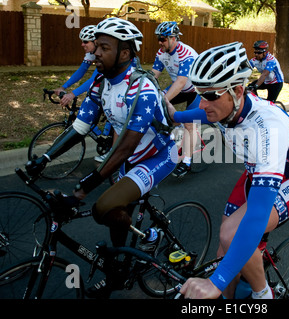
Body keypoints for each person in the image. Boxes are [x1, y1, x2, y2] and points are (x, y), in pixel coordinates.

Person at [26, 17, 177, 298]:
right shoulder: (101, 82)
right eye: (96, 46)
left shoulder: (141, 89)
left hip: (157, 156)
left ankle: (149, 239)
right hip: (127, 157)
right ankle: (118, 267)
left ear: (125, 53)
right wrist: (43, 159)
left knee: (102, 207)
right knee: (118, 211)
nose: (94, 52)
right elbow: (80, 127)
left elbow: (125, 149)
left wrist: (81, 190)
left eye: (103, 47)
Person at [167, 42, 289, 299]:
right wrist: (174, 116)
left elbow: (257, 215)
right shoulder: (227, 108)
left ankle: (262, 295)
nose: (203, 104)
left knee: (233, 233)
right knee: (224, 250)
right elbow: (202, 114)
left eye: (211, 95)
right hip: (256, 172)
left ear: (237, 90)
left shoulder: (269, 126)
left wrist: (215, 282)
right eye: (201, 94)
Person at [52, 25, 112, 163]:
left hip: (114, 86)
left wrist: (72, 94)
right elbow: (81, 71)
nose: (82, 44)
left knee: (109, 112)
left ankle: (110, 149)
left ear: (95, 42)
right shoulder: (91, 53)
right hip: (103, 85)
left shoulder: (102, 53)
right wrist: (64, 86)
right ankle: (104, 140)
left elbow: (93, 79)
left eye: (86, 42)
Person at [152, 21, 199, 178]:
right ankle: (171, 140)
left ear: (173, 38)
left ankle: (186, 161)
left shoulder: (186, 54)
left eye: (163, 39)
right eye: (158, 38)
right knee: (157, 108)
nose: (159, 42)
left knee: (189, 124)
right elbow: (153, 76)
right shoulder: (161, 53)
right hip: (181, 87)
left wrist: (163, 99)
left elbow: (180, 83)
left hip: (195, 90)